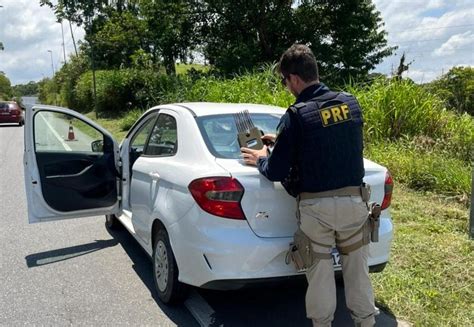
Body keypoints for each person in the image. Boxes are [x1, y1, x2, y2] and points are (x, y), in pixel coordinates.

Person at [240, 44, 378, 327]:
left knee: (320, 272)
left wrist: (261, 158)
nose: (286, 86)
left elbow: (277, 171)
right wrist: (282, 141)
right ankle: (366, 322)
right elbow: (330, 142)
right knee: (357, 272)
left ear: (293, 78)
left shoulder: (296, 115)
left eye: (284, 80)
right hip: (355, 204)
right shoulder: (350, 103)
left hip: (318, 210)